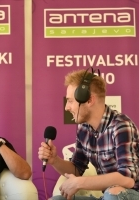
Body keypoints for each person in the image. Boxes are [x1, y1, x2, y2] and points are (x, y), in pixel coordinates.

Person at [38, 68, 139, 200]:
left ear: (89, 100)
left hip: (131, 195)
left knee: (113, 195)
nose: (66, 107)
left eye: (70, 101)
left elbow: (127, 179)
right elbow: (76, 170)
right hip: (107, 197)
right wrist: (55, 160)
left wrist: (79, 183)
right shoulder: (83, 128)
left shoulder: (121, 126)